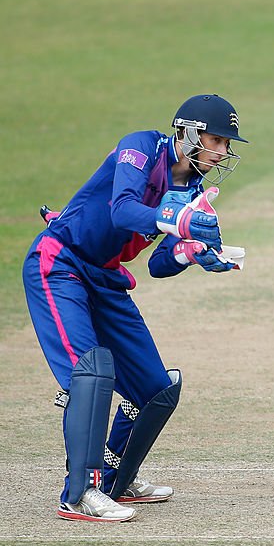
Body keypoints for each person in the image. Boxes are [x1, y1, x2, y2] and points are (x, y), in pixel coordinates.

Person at [23, 94, 248, 522]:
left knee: (154, 390)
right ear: (186, 131)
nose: (221, 152)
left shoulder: (193, 190)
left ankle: (115, 480)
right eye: (215, 140)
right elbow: (124, 210)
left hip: (106, 278)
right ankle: (79, 494)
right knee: (91, 372)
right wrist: (179, 223)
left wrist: (188, 253)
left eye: (225, 144)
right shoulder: (141, 147)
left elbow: (159, 265)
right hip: (61, 263)